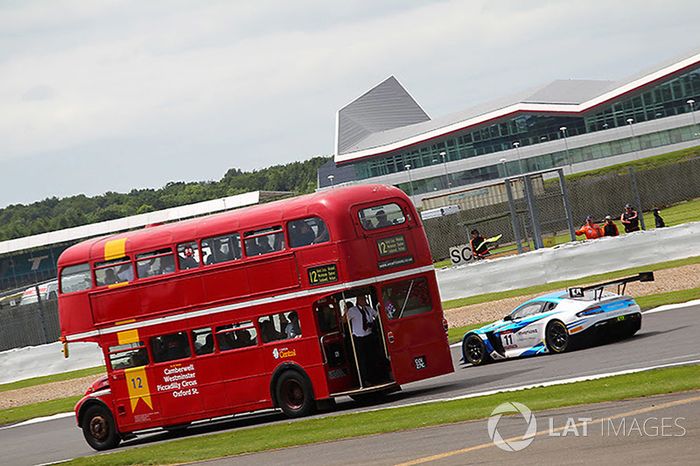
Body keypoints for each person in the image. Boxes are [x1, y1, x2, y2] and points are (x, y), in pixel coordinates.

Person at [346, 296, 379, 386]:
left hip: (368, 336)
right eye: (362, 300)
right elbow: (344, 320)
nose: (364, 301)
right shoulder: (352, 310)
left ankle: (374, 377)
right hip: (359, 338)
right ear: (358, 301)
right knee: (362, 360)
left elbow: (377, 315)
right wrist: (345, 312)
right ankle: (364, 379)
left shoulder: (368, 309)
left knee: (371, 358)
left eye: (365, 299)